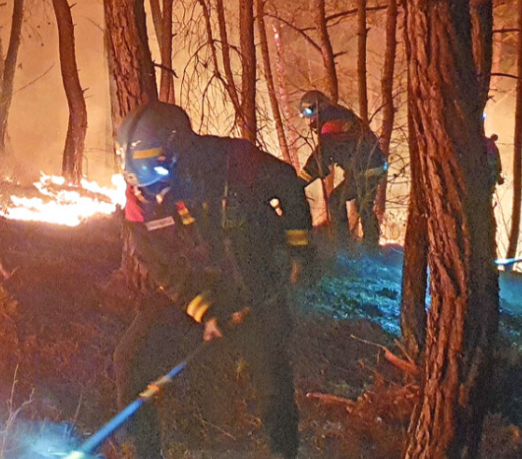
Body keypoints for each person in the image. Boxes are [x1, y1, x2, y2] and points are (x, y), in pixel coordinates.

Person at [114, 101, 311, 459]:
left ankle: (284, 451)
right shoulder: (140, 199)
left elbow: (288, 184)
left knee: (272, 380)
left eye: (154, 177)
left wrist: (298, 249)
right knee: (130, 359)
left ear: (180, 153)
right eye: (138, 181)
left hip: (254, 286)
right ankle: (146, 452)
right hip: (196, 289)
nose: (146, 191)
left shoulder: (233, 161)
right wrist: (204, 311)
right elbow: (163, 268)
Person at [298, 90, 387, 253]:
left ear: (319, 107)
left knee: (337, 201)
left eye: (310, 114)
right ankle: (370, 247)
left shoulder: (331, 124)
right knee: (363, 205)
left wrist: (301, 181)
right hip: (370, 167)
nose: (310, 120)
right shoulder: (338, 116)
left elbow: (323, 156)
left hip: (365, 169)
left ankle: (345, 247)